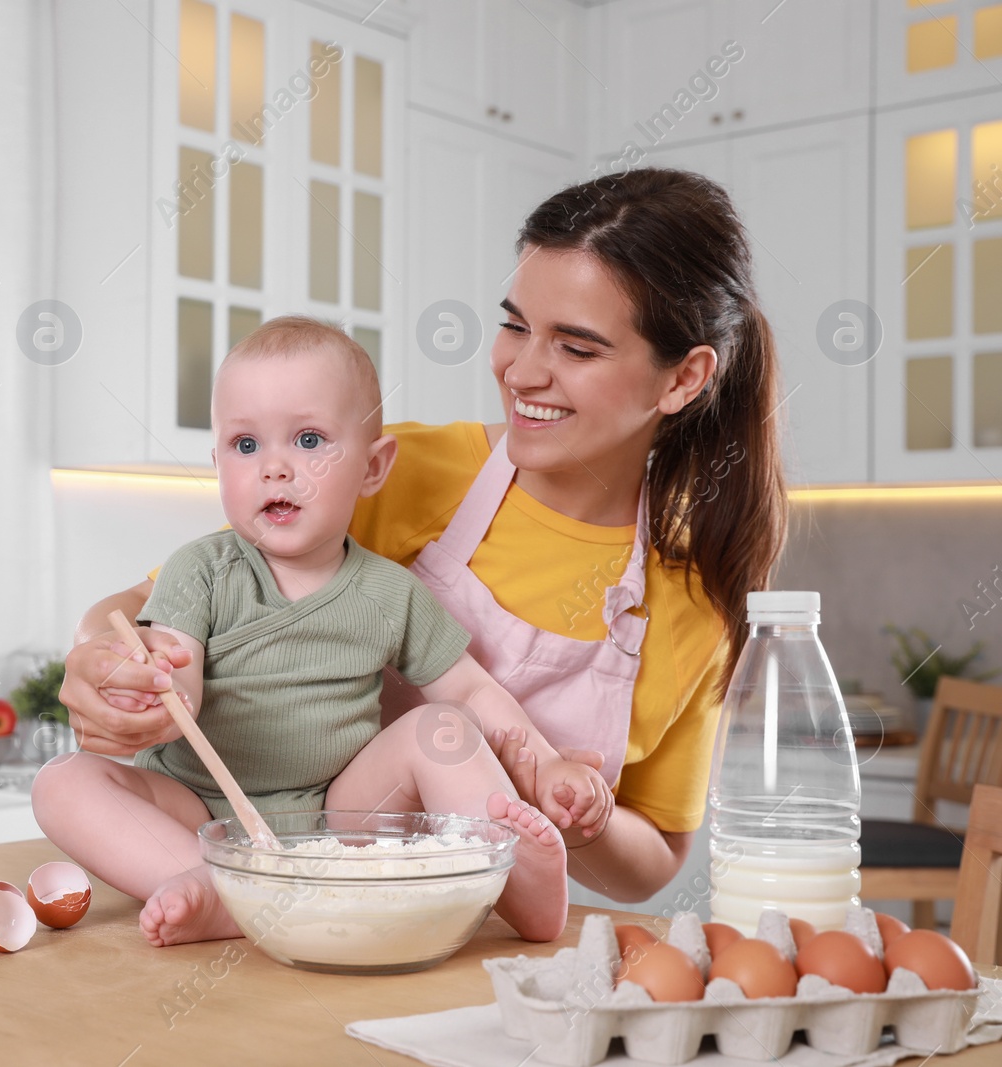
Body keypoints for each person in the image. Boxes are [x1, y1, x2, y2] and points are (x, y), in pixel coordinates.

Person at [58, 168, 789, 905]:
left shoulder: (693, 600)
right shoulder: (398, 473)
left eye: (577, 347)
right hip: (286, 899)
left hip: (454, 924)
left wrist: (573, 809)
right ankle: (239, 896)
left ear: (683, 379)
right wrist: (104, 664)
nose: (522, 370)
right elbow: (153, 607)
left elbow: (657, 856)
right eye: (515, 325)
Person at [32, 317, 612, 947]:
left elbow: (471, 693)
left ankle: (518, 880)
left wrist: (548, 762)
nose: (274, 468)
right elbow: (182, 685)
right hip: (194, 805)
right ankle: (220, 887)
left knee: (442, 727)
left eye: (308, 439)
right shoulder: (200, 570)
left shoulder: (391, 593)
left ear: (372, 467)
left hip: (339, 816)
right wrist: (148, 687)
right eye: (246, 446)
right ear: (217, 462)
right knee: (63, 782)